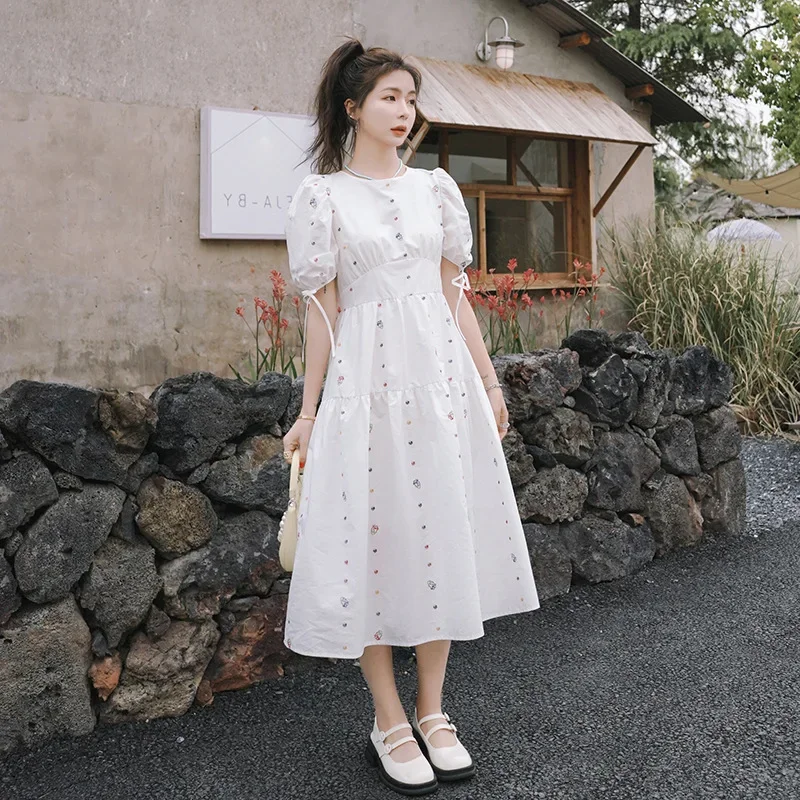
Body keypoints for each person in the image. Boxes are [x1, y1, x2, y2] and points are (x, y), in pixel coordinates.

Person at [281, 37, 541, 796]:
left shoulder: (437, 191)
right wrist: (308, 410)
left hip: (442, 384)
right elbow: (323, 311)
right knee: (373, 538)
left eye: (411, 98)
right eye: (389, 98)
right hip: (366, 386)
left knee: (439, 536)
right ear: (353, 107)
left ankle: (433, 710)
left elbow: (456, 295)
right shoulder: (323, 197)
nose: (404, 111)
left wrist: (490, 384)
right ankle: (387, 717)